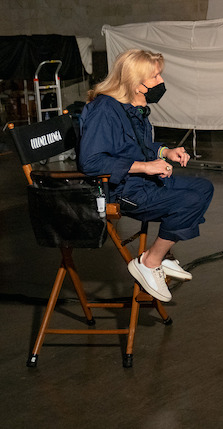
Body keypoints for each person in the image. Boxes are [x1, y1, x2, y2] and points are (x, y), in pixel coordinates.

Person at [79, 49, 214, 303]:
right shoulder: (105, 110)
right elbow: (91, 162)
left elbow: (138, 146)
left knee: (203, 188)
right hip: (122, 191)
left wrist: (165, 152)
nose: (161, 81)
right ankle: (150, 262)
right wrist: (145, 167)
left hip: (144, 183)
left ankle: (162, 255)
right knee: (189, 201)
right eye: (155, 77)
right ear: (134, 82)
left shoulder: (131, 106)